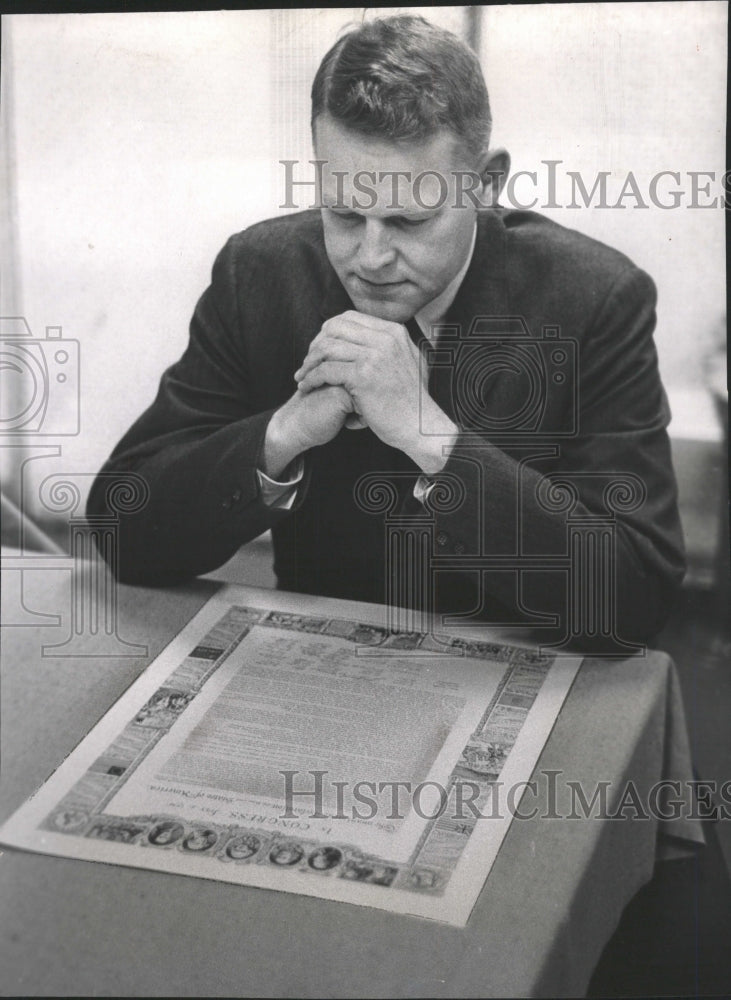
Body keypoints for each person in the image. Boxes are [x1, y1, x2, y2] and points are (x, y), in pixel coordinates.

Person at [88, 14, 684, 647]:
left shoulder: (595, 297)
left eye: (408, 221)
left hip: (522, 676)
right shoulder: (259, 274)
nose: (369, 258)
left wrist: (434, 443)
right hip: (317, 679)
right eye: (344, 212)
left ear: (485, 186)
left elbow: (638, 598)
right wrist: (279, 436)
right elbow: (121, 528)